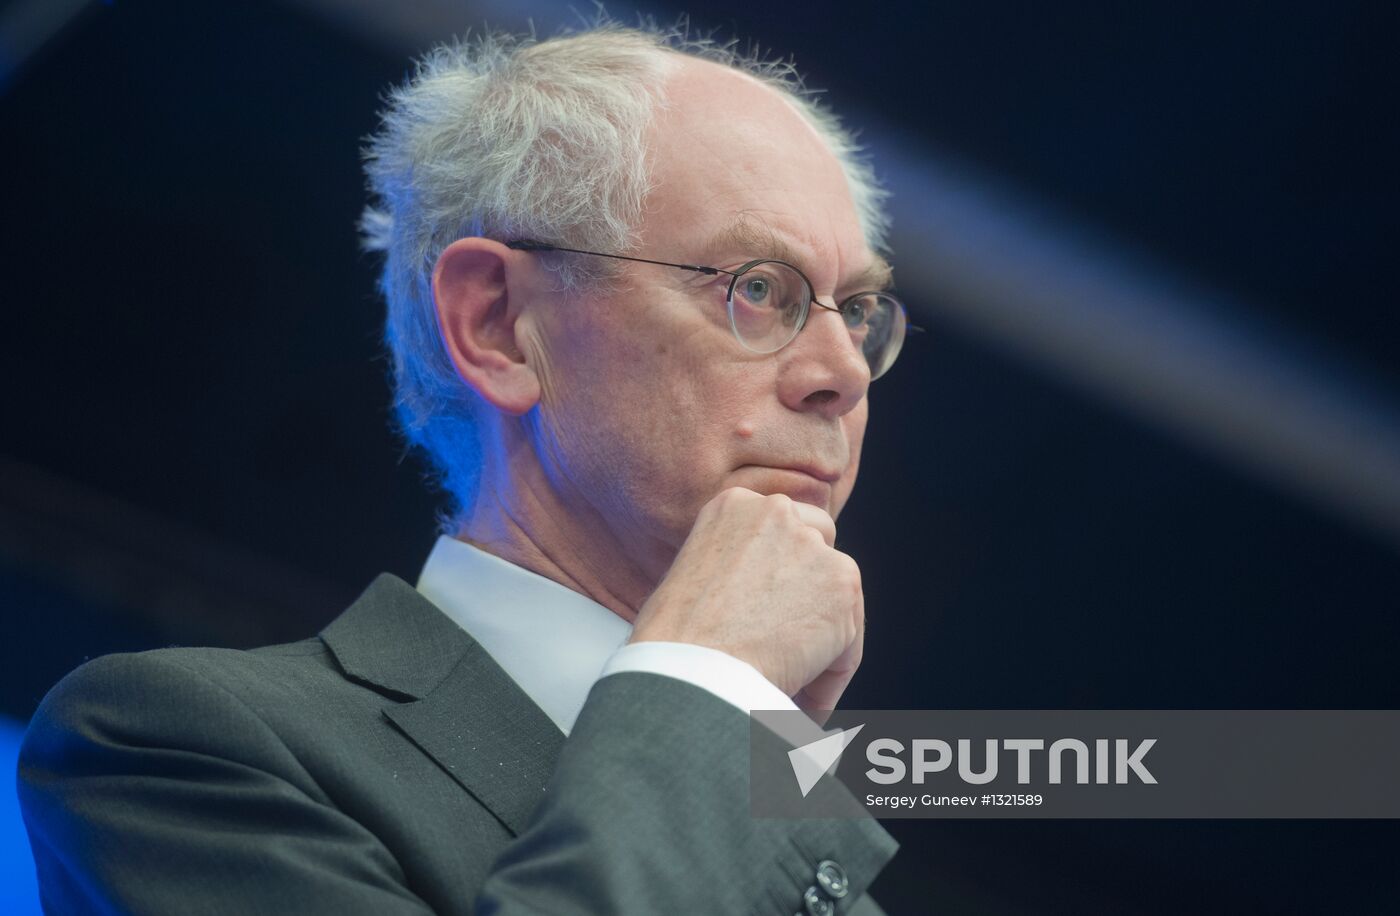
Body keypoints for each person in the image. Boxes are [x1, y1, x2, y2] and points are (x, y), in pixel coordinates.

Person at [17, 24, 910, 915]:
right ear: (498, 326)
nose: (842, 372)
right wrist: (705, 685)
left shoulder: (813, 857)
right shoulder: (183, 753)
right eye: (757, 289)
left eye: (859, 309)